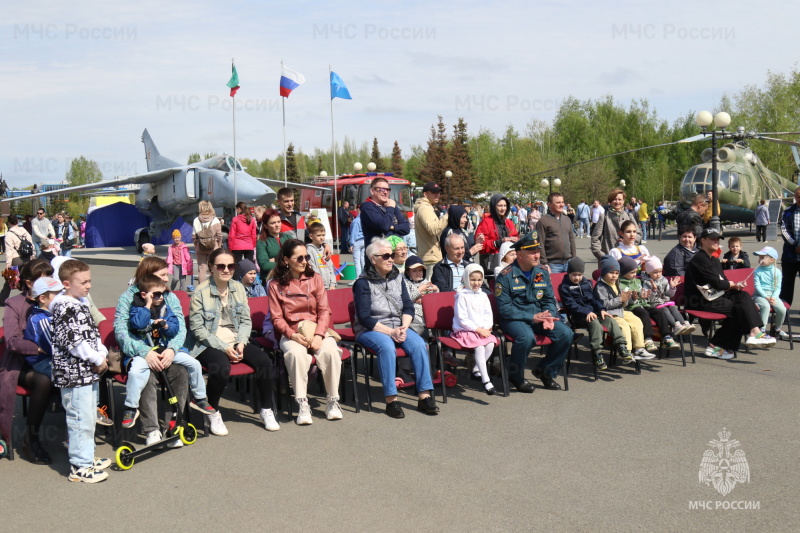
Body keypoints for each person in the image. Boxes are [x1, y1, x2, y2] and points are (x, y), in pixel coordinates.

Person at [188, 248, 277, 434]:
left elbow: (245, 320)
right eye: (221, 266)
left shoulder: (238, 289)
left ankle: (266, 410)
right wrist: (225, 347)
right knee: (221, 368)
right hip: (208, 342)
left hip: (235, 338)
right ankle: (212, 410)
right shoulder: (200, 292)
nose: (226, 270)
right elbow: (198, 330)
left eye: (230, 266)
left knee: (264, 362)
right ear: (211, 267)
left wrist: (242, 343)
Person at [353, 237, 439, 418]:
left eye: (391, 255)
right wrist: (391, 332)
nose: (391, 259)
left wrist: (404, 327)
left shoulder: (397, 278)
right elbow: (364, 318)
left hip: (399, 326)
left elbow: (408, 306)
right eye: (385, 256)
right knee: (386, 347)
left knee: (419, 345)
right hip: (372, 329)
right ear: (373, 259)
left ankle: (424, 396)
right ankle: (391, 400)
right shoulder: (362, 283)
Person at [120, 274, 216, 431]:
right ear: (144, 295)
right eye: (156, 294)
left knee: (194, 363)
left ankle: (199, 398)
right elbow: (138, 324)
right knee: (136, 371)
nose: (161, 297)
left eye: (162, 294)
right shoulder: (137, 308)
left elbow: (175, 327)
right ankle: (131, 407)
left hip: (164, 349)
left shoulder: (165, 307)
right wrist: (147, 305)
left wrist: (166, 326)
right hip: (145, 352)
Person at [114, 256, 190, 447]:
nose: (167, 278)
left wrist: (172, 350)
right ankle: (152, 430)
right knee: (146, 377)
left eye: (167, 274)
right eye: (162, 275)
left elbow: (179, 327)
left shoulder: (170, 297)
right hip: (140, 354)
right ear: (148, 277)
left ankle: (173, 425)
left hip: (165, 351)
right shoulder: (127, 298)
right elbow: (121, 332)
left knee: (180, 373)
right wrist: (144, 351)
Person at [49, 259, 112, 483]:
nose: (88, 286)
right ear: (66, 283)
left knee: (88, 418)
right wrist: (96, 357)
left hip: (88, 372)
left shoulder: (80, 302)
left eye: (90, 280)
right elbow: (74, 342)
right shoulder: (64, 306)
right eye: (83, 282)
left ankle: (88, 456)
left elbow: (92, 334)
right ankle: (79, 466)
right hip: (74, 375)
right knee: (79, 419)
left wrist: (102, 352)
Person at [269, 239, 343, 424]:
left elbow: (324, 310)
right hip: (291, 333)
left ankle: (333, 400)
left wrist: (319, 336)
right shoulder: (275, 285)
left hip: (316, 329)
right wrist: (292, 335)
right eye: (299, 257)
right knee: (295, 354)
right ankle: (302, 403)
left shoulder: (315, 278)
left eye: (306, 257)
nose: (304, 261)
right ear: (286, 260)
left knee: (332, 351)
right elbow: (276, 318)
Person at [496, 232, 573, 391]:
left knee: (566, 334)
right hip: (515, 319)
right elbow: (505, 308)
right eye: (532, 252)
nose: (537, 255)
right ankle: (515, 377)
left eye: (538, 251)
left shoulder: (542, 271)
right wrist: (532, 317)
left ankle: (545, 371)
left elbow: (549, 299)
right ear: (519, 254)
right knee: (526, 337)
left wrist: (549, 315)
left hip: (540, 316)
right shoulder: (506, 276)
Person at [685, 228, 774, 359]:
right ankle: (717, 345)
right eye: (713, 239)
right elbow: (718, 283)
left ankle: (753, 332)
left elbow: (723, 281)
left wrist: (735, 286)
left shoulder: (714, 260)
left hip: (715, 296)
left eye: (718, 239)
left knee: (743, 296)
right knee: (738, 310)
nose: (716, 241)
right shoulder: (699, 259)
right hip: (699, 300)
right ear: (703, 240)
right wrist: (731, 284)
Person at [0, 259, 56, 464]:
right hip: (20, 363)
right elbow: (13, 341)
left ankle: (79, 434)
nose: (51, 282)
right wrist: (39, 348)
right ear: (30, 283)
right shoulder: (14, 304)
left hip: (51, 358)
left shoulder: (55, 298)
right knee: (43, 380)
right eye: (45, 278)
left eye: (52, 277)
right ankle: (30, 440)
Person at [559, 257, 628, 370]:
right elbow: (571, 305)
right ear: (569, 273)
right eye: (574, 275)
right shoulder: (565, 287)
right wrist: (587, 312)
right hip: (578, 315)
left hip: (594, 312)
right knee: (595, 323)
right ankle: (597, 353)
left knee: (610, 320)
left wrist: (601, 309)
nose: (577, 278)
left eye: (580, 274)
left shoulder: (587, 283)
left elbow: (594, 300)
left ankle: (621, 346)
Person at [451, 264, 498, 395]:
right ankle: (486, 380)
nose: (476, 283)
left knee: (490, 343)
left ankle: (477, 369)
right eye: (473, 279)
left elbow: (488, 313)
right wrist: (477, 329)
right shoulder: (462, 296)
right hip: (465, 330)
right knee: (479, 347)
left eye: (479, 279)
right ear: (466, 278)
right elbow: (462, 318)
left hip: (481, 329)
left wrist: (487, 327)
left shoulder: (483, 295)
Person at [592, 255, 644, 364]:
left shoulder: (618, 283)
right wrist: (619, 299)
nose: (614, 276)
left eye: (616, 273)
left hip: (621, 310)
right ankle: (626, 352)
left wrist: (631, 299)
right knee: (624, 326)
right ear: (604, 273)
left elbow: (623, 303)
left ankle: (639, 348)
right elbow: (603, 304)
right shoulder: (600, 287)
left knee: (636, 321)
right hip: (610, 313)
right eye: (611, 273)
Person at [617, 256, 669, 356]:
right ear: (623, 272)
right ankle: (648, 338)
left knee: (658, 312)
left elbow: (644, 295)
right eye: (632, 272)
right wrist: (634, 298)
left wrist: (644, 296)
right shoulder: (620, 284)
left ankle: (667, 336)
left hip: (644, 303)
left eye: (636, 271)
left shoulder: (637, 281)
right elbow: (625, 301)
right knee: (644, 314)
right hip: (631, 307)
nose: (635, 274)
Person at [641, 256, 695, 339]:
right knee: (665, 310)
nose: (658, 274)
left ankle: (683, 323)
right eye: (655, 272)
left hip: (665, 301)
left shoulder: (664, 280)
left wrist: (672, 287)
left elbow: (669, 295)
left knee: (673, 308)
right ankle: (675, 326)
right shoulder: (647, 282)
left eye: (660, 271)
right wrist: (653, 290)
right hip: (654, 303)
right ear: (649, 272)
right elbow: (648, 298)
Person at [361, 177, 410, 254]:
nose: (385, 192)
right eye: (381, 189)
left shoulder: (391, 204)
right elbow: (384, 225)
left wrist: (392, 227)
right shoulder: (368, 207)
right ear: (372, 191)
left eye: (387, 190)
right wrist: (390, 208)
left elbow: (406, 228)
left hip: (395, 254)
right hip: (378, 256)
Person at [591, 188, 641, 262]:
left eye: (620, 199)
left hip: (628, 260)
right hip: (609, 261)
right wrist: (603, 256)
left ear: (623, 201)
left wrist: (628, 240)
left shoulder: (629, 216)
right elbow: (595, 239)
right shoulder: (604, 217)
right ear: (610, 201)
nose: (617, 202)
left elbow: (639, 234)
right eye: (614, 199)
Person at [752, 246, 789, 340]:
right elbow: (757, 286)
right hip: (760, 295)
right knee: (766, 306)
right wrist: (766, 297)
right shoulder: (757, 271)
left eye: (763, 257)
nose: (760, 259)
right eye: (759, 257)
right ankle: (762, 330)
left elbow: (778, 287)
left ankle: (776, 328)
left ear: (771, 260)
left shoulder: (777, 272)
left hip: (773, 295)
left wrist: (773, 297)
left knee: (782, 309)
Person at [475, 193, 519, 272]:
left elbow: (515, 237)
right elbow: (481, 245)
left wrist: (516, 240)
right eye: (500, 206)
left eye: (505, 206)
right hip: (492, 264)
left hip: (509, 264)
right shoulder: (486, 222)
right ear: (493, 206)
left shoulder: (509, 222)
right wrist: (499, 242)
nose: (503, 208)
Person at [536, 192, 576, 274]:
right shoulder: (543, 221)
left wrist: (574, 258)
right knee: (554, 286)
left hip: (568, 262)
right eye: (558, 202)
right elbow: (540, 243)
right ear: (549, 204)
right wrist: (544, 263)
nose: (561, 205)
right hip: (553, 265)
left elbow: (571, 240)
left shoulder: (567, 219)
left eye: (562, 202)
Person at [256, 208, 292, 284]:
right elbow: (264, 265)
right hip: (272, 280)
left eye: (278, 222)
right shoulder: (262, 242)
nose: (277, 225)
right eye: (273, 223)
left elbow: (295, 257)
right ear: (266, 225)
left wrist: (274, 260)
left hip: (289, 278)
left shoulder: (288, 238)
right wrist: (286, 263)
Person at [192, 200, 223, 284]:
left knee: (201, 269)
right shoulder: (215, 220)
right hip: (213, 248)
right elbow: (219, 235)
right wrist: (219, 246)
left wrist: (196, 246)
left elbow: (194, 236)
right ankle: (213, 286)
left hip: (200, 248)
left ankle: (201, 288)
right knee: (213, 268)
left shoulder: (196, 220)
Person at [780, 187, 800, 305]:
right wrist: (795, 246)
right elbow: (784, 230)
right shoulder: (788, 212)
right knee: (786, 286)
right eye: (797, 196)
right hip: (790, 256)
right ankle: (783, 314)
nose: (799, 199)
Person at [306, 222, 337, 289]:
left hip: (329, 286)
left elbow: (331, 268)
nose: (322, 238)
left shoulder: (325, 250)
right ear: (311, 236)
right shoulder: (309, 250)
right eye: (319, 235)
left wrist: (332, 284)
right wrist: (320, 284)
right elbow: (313, 269)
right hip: (318, 287)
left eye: (323, 235)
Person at [350, 211, 365, 279]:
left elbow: (354, 233)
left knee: (356, 261)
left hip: (357, 241)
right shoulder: (365, 220)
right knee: (362, 259)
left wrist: (351, 244)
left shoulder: (356, 221)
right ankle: (364, 275)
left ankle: (358, 278)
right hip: (364, 240)